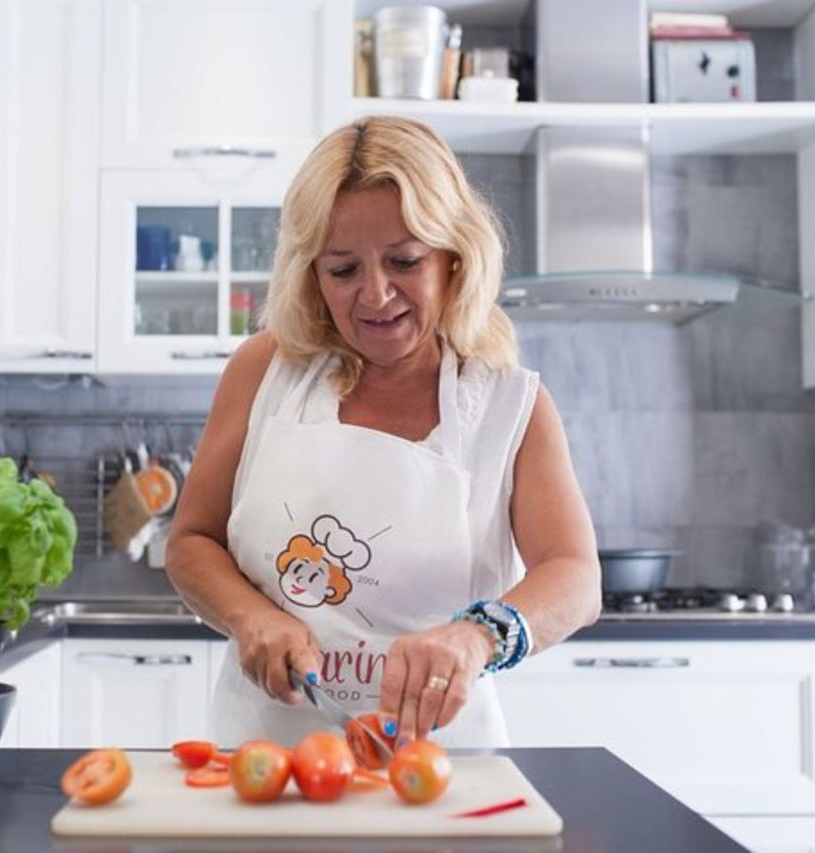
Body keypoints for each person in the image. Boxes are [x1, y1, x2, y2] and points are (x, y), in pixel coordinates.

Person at [165, 116, 600, 749]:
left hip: (439, 765)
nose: (376, 295)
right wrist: (250, 616)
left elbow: (576, 577)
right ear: (312, 273)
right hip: (266, 760)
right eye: (343, 270)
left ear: (454, 258)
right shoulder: (264, 371)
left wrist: (480, 634)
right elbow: (191, 542)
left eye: (404, 261)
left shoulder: (511, 406)